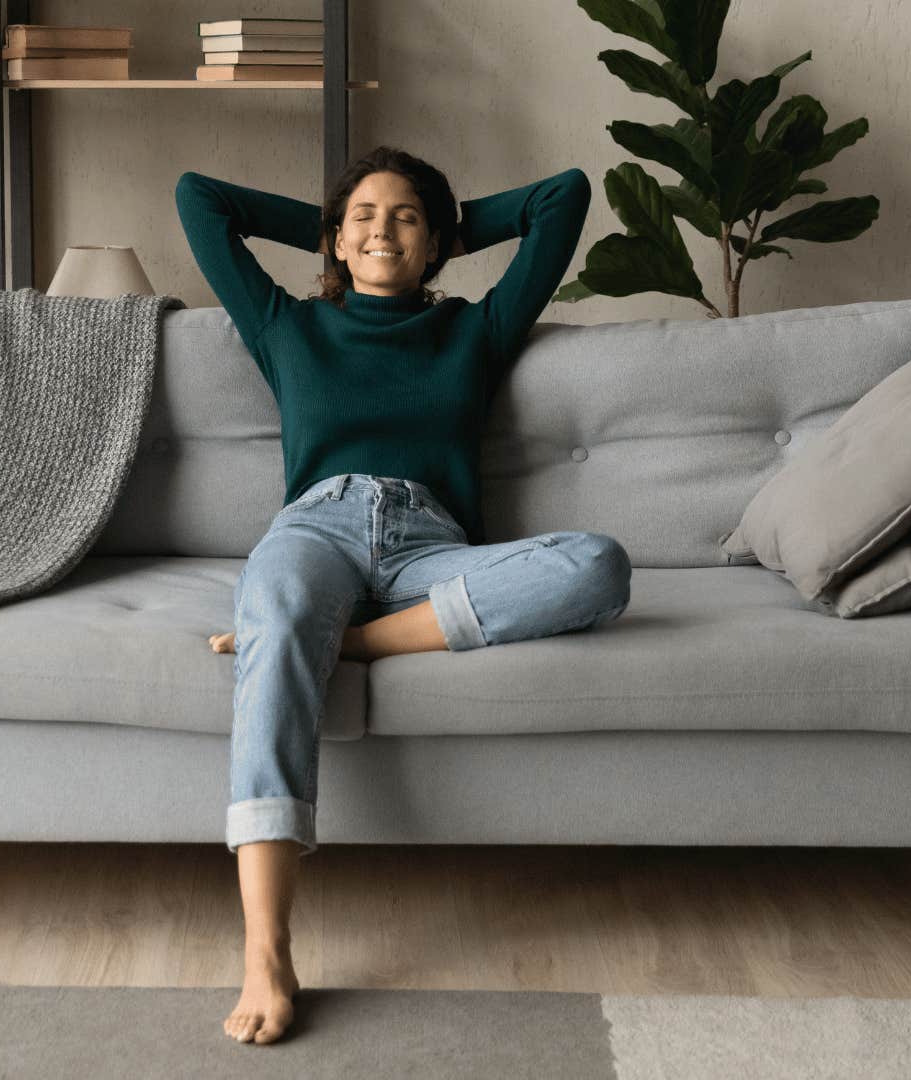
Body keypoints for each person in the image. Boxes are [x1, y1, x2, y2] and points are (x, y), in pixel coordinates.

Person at [173, 145, 630, 1046]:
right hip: (318, 528)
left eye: (407, 218)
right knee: (278, 605)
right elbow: (201, 196)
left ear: (435, 248)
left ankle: (345, 642)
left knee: (598, 565)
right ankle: (266, 947)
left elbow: (564, 198)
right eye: (365, 218)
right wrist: (339, 213)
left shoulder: (476, 328)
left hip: (434, 547)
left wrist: (447, 222)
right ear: (335, 242)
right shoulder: (285, 324)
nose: (384, 228)